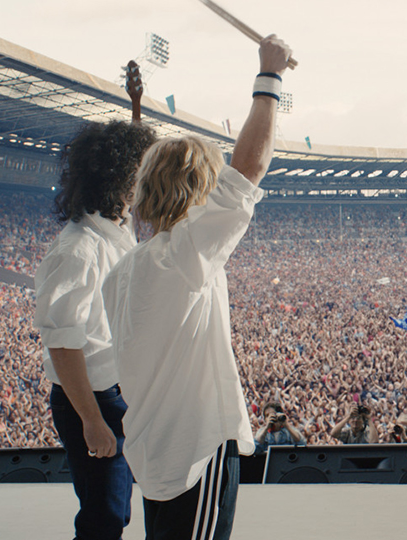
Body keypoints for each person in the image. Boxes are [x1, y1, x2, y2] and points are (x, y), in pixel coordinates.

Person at [102, 36, 292, 540]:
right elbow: (248, 170)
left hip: (153, 450)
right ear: (198, 195)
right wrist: (268, 77)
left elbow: (155, 199)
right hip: (195, 454)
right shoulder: (184, 259)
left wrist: (140, 120)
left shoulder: (124, 271)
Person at [33, 65, 155, 540]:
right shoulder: (77, 251)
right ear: (116, 182)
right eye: (136, 180)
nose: (143, 189)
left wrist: (136, 108)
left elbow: (139, 156)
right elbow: (63, 346)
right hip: (92, 399)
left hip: (119, 391)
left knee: (121, 507)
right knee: (104, 514)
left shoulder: (113, 223)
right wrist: (92, 423)